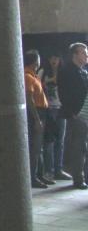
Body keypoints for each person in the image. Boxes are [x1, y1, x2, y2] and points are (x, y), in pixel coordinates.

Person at [59, 42, 88, 189]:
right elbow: (64, 94)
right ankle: (78, 178)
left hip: (86, 114)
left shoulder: (84, 71)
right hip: (77, 115)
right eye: (83, 53)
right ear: (75, 55)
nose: (86, 55)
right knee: (79, 147)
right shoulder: (67, 71)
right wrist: (72, 113)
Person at [24, 50, 51, 188]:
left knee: (39, 147)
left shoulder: (34, 75)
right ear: (35, 62)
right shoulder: (28, 77)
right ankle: (33, 177)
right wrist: (36, 119)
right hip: (36, 113)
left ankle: (40, 174)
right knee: (35, 148)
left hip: (42, 112)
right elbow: (29, 99)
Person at [40, 53, 68, 181]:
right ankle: (49, 171)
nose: (54, 60)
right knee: (49, 141)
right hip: (49, 109)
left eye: (56, 58)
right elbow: (39, 84)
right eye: (51, 57)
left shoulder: (64, 72)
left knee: (60, 141)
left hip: (61, 108)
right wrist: (51, 80)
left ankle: (58, 169)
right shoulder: (43, 71)